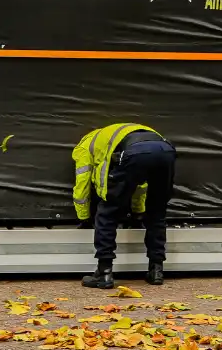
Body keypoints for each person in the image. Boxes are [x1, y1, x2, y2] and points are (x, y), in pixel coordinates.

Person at [72, 123, 176, 289]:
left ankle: (104, 273)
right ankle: (156, 271)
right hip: (166, 150)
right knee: (157, 212)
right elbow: (140, 184)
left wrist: (84, 217)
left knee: (108, 211)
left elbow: (83, 182)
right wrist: (138, 213)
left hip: (134, 152)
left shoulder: (85, 147)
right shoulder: (121, 132)